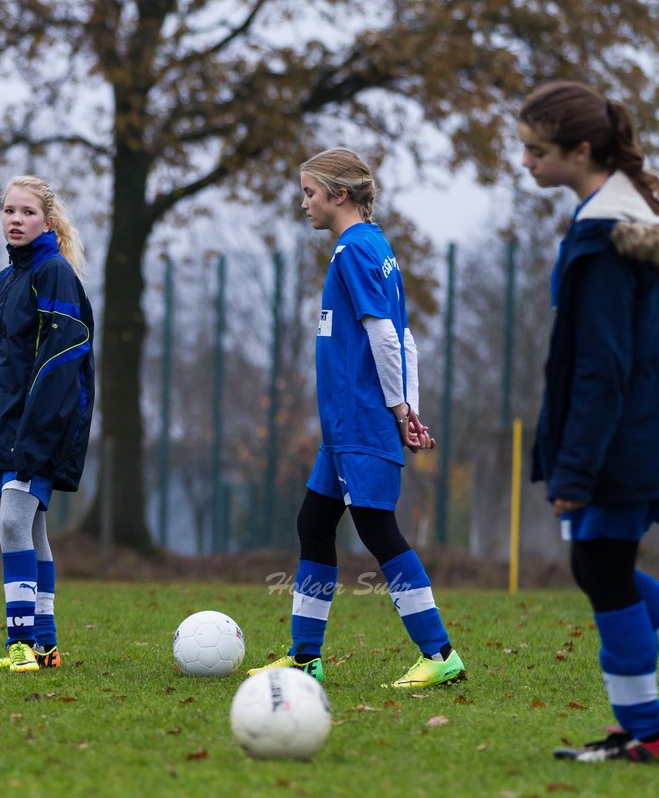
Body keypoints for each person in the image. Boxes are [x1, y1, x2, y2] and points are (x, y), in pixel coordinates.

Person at [246, 148, 466, 689]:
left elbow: (387, 337)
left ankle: (439, 653)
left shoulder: (352, 251)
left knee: (376, 528)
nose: (304, 205)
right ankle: (304, 658)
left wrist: (396, 410)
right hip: (346, 425)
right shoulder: (376, 245)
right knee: (314, 524)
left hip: (361, 419)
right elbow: (406, 339)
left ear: (339, 195)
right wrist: (409, 408)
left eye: (309, 193)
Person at [516, 81, 659, 763]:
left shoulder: (606, 237)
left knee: (600, 566)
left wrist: (574, 465)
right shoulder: (618, 218)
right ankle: (646, 727)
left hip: (621, 437)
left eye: (536, 150)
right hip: (632, 433)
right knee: (599, 564)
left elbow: (602, 366)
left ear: (580, 151)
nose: (525, 162)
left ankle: (647, 730)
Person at [0, 175, 94, 673]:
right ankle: (45, 645)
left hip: (36, 429)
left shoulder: (53, 273)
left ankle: (20, 644)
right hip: (8, 429)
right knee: (32, 527)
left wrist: (33, 432)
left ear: (48, 221)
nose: (15, 219)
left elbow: (61, 364)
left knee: (13, 522)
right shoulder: (4, 281)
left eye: (27, 212)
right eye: (9, 210)